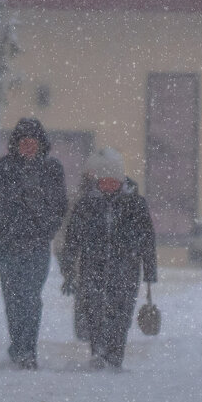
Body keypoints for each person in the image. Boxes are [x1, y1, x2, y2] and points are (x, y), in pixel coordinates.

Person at [59, 146, 157, 370]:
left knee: (121, 315)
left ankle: (115, 356)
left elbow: (147, 240)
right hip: (92, 268)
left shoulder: (136, 205)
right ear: (98, 181)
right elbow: (72, 238)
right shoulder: (86, 204)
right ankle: (98, 353)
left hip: (126, 269)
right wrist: (68, 270)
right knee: (94, 311)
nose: (109, 185)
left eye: (113, 180)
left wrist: (150, 272)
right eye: (105, 181)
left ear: (121, 180)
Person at [0, 117, 67, 369]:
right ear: (15, 144)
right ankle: (18, 345)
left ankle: (28, 350)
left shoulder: (51, 170)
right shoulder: (1, 169)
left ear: (41, 145)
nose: (28, 147)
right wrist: (1, 229)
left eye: (33, 142)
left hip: (37, 246)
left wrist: (44, 229)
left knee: (30, 297)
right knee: (12, 297)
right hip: (7, 246)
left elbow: (59, 206)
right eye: (24, 142)